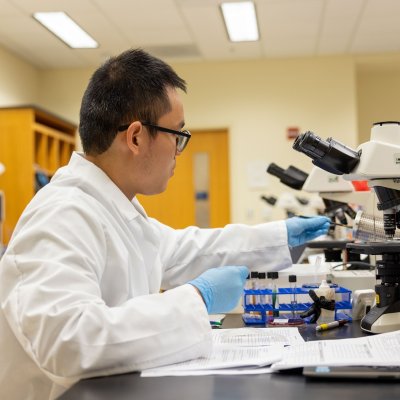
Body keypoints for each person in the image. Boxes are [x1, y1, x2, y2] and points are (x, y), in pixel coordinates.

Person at [0, 48, 330, 400]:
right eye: (177, 135)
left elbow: (185, 250)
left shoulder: (115, 208)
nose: (178, 151)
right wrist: (197, 298)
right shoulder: (62, 214)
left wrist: (282, 236)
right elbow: (70, 341)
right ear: (137, 137)